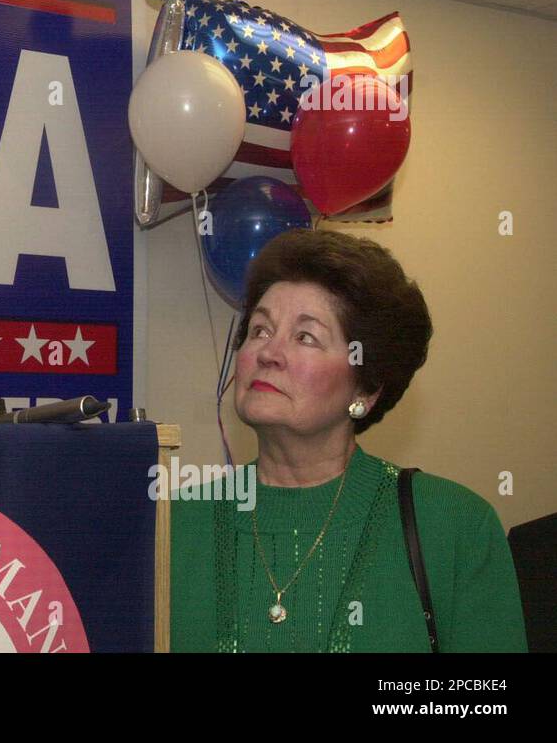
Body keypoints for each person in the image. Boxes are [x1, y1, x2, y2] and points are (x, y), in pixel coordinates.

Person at [171, 229, 525, 652]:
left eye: (306, 337)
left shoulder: (454, 526)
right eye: (260, 330)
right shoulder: (174, 526)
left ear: (365, 390)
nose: (268, 353)